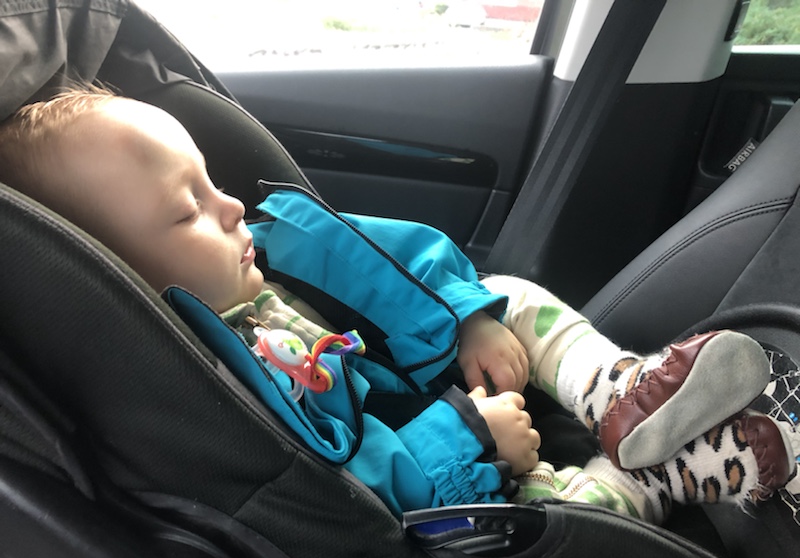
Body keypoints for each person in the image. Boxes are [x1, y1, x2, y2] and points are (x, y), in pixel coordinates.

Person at [0, 87, 796, 525]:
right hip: (450, 489)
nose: (232, 206)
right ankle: (656, 475)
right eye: (188, 212)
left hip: (429, 386)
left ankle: (618, 389)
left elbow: (390, 259)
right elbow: (331, 491)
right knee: (560, 514)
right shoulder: (209, 380)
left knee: (508, 295)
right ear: (118, 277)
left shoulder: (265, 256)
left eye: (211, 182)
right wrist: (472, 436)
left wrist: (466, 317)